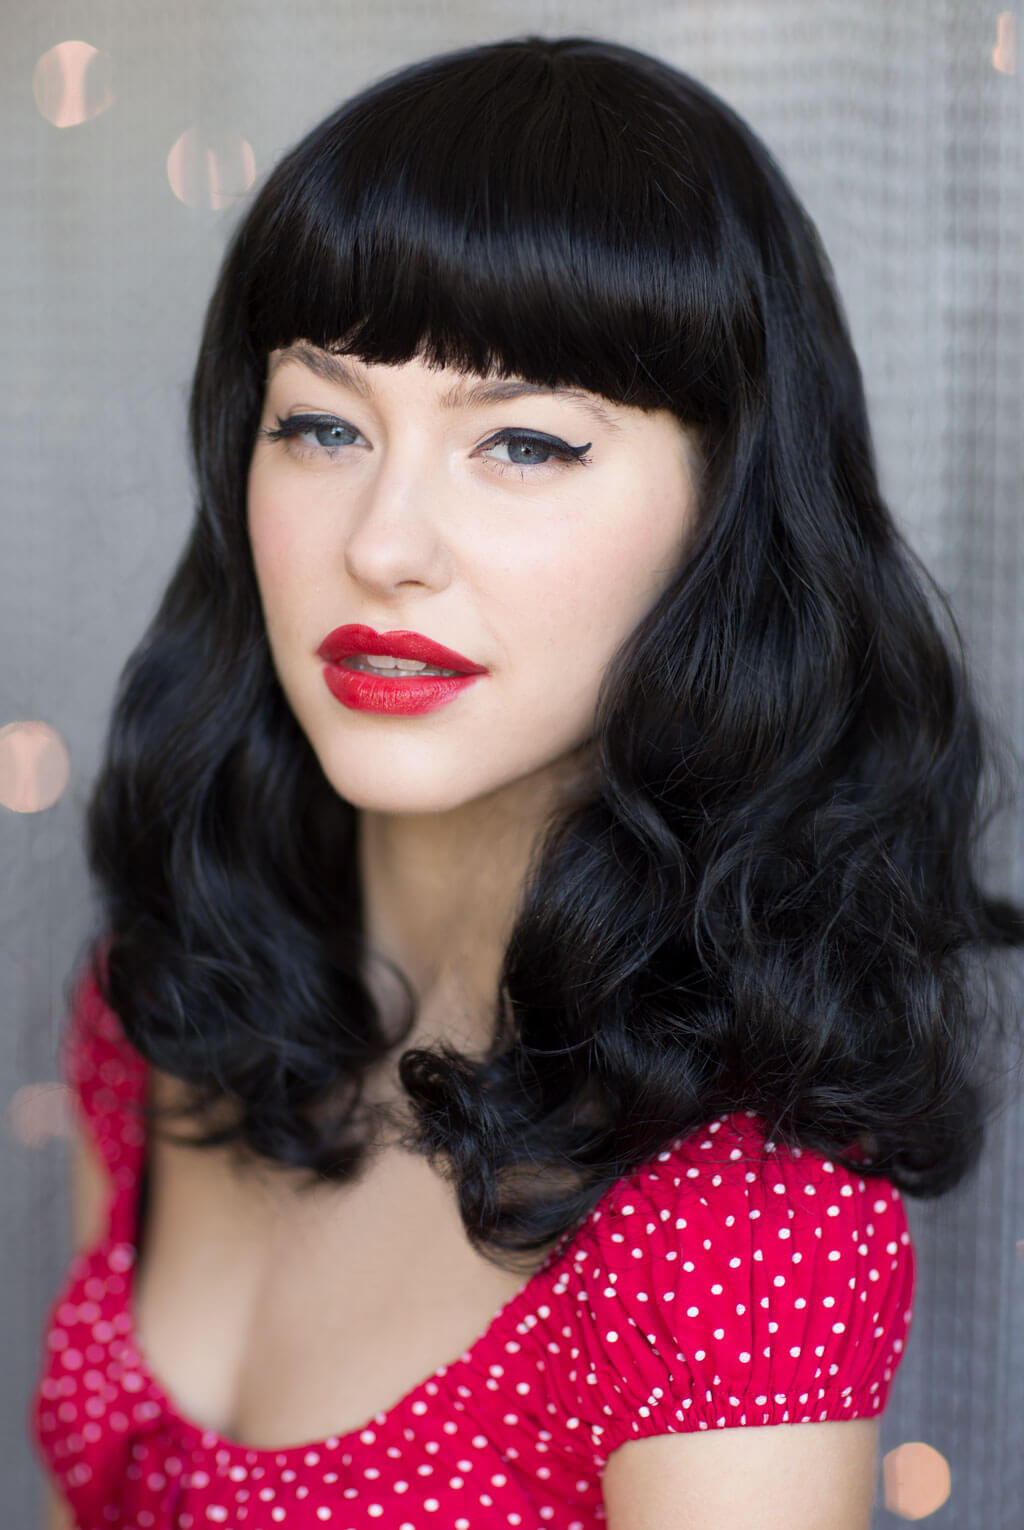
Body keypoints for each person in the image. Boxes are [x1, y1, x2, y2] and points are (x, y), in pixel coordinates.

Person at [31, 33, 1022, 1530]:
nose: (384, 544)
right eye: (322, 425)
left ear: (725, 515)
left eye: (524, 443)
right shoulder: (160, 1002)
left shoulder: (745, 1228)